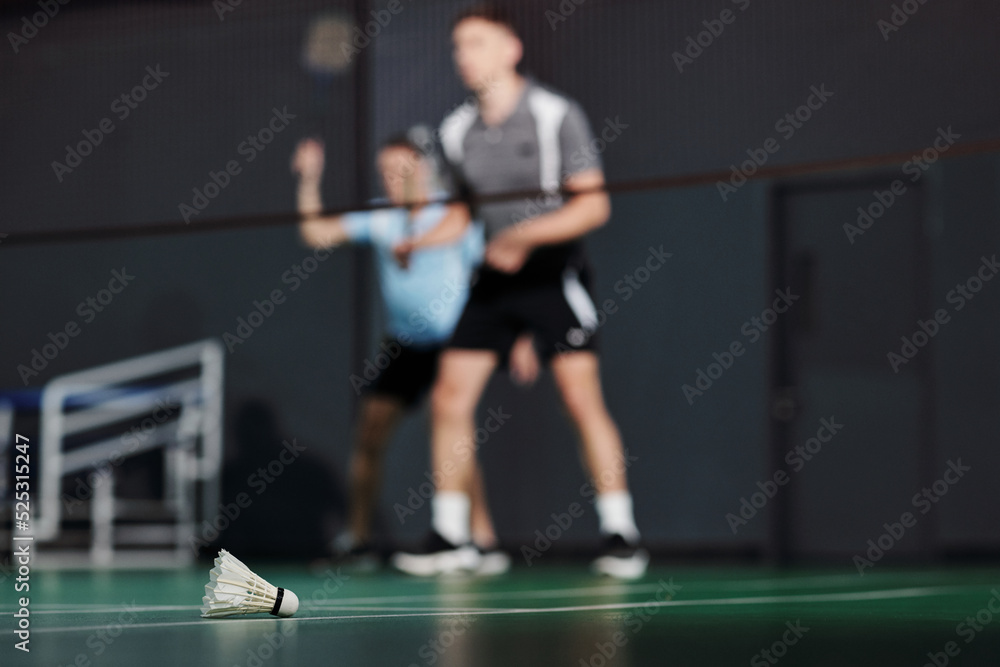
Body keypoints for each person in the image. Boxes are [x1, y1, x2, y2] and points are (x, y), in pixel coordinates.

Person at [391, 4, 648, 579]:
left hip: (553, 275)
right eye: (458, 46)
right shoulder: (455, 130)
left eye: (476, 43)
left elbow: (593, 203)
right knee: (449, 399)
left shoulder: (556, 114)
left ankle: (620, 532)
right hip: (493, 281)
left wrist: (524, 235)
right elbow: (463, 214)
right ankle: (453, 535)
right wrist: (421, 241)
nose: (464, 56)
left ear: (510, 49)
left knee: (581, 400)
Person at [291, 133, 538, 572]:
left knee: (451, 431)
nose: (392, 179)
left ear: (423, 170)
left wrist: (518, 337)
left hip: (453, 342)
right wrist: (309, 179)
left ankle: (481, 541)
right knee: (369, 432)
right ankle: (358, 541)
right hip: (404, 345)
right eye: (385, 171)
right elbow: (315, 233)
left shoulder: (453, 213)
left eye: (401, 170)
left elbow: (491, 276)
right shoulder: (382, 216)